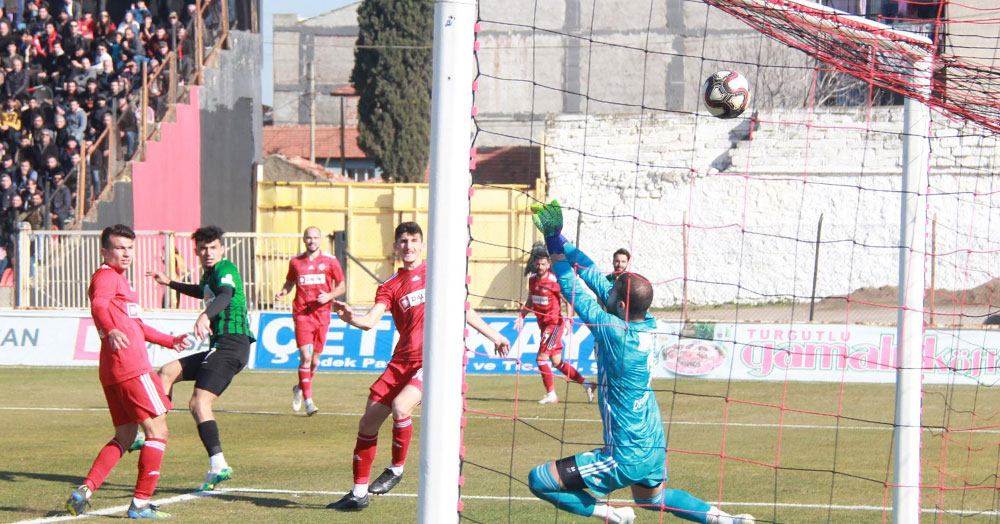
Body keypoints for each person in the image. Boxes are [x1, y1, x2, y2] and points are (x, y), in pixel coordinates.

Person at [526, 201, 755, 524]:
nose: (606, 289)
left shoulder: (615, 334)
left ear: (620, 304)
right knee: (653, 498)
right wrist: (562, 239)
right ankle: (725, 520)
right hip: (652, 437)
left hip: (625, 452)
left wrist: (550, 241)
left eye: (611, 291)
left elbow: (572, 286)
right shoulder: (644, 321)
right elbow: (590, 273)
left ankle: (611, 515)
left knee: (541, 480)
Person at [326, 221, 511, 511]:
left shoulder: (438, 273)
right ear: (396, 246)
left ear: (422, 245)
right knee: (367, 422)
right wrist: (351, 317)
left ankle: (396, 469)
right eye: (403, 241)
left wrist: (494, 335)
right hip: (400, 362)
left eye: (414, 240)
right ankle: (358, 493)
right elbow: (370, 321)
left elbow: (464, 309)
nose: (408, 246)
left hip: (434, 359)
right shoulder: (389, 285)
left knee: (401, 407)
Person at [63, 224, 190, 519]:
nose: (126, 253)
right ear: (105, 251)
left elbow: (137, 326)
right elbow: (98, 304)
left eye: (130, 248)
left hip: (113, 371)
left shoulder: (119, 280)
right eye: (119, 248)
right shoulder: (107, 276)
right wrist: (109, 330)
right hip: (131, 368)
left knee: (124, 435)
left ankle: (84, 490)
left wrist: (170, 341)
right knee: (158, 431)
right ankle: (141, 503)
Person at [147, 225, 254, 492]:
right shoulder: (210, 276)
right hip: (221, 345)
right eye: (203, 248)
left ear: (222, 249)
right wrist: (169, 282)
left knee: (198, 403)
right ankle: (153, 431)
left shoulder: (225, 268)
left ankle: (218, 464)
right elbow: (202, 291)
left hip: (232, 344)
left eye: (213, 247)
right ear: (196, 250)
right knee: (167, 372)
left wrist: (205, 316)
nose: (208, 252)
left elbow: (226, 295)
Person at [274, 226, 345, 416]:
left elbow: (342, 286)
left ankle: (299, 388)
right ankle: (309, 401)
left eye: (315, 237)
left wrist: (329, 295)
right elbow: (290, 282)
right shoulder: (296, 262)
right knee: (305, 357)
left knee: (315, 360)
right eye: (308, 238)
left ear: (320, 239)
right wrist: (284, 291)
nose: (312, 241)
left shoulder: (330, 261)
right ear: (304, 240)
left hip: (322, 315)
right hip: (302, 313)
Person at [517, 250, 594, 404]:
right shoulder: (532, 280)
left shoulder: (553, 281)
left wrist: (568, 319)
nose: (539, 266)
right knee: (557, 362)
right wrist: (521, 316)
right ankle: (588, 384)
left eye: (543, 264)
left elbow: (567, 301)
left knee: (541, 359)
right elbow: (530, 300)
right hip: (543, 325)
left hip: (553, 325)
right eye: (537, 263)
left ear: (548, 265)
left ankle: (551, 394)